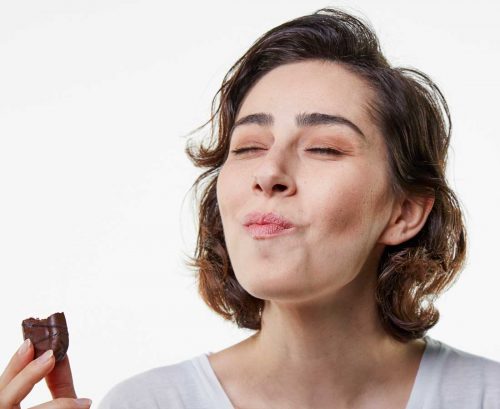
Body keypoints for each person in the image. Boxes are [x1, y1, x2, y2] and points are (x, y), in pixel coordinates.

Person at [2, 6, 498, 409]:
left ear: (404, 212)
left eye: (324, 148)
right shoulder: (147, 403)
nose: (268, 173)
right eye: (247, 148)